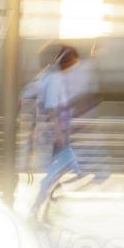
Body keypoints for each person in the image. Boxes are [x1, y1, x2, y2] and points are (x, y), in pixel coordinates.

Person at [25, 44, 109, 221]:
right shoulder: (54, 80)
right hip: (59, 136)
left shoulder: (50, 77)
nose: (75, 68)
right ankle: (38, 206)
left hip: (59, 135)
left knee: (64, 171)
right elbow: (52, 110)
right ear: (66, 61)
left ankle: (47, 201)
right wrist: (60, 135)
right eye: (73, 64)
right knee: (60, 173)